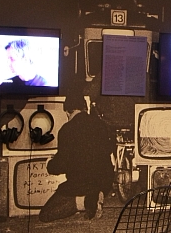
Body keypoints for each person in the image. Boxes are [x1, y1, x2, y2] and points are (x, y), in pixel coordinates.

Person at [39, 93, 115, 221]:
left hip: (81, 183)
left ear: (68, 112)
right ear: (85, 108)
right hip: (104, 181)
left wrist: (49, 163)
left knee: (46, 215)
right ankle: (98, 194)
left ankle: (86, 201)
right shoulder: (102, 125)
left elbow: (61, 165)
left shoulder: (66, 130)